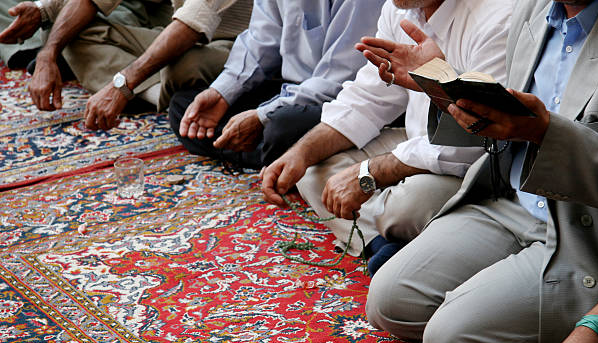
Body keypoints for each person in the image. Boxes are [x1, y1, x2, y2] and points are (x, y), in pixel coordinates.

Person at [365, 0, 598, 343]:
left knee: (454, 341)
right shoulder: (534, 10)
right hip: (510, 200)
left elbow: (538, 126)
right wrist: (445, 88)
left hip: (586, 229)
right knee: (390, 301)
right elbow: (507, 124)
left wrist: (544, 132)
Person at [261, 0, 513, 274]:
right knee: (311, 170)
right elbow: (367, 99)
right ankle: (379, 245)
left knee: (408, 206)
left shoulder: (497, 16)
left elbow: (475, 143)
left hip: (483, 165)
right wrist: (299, 154)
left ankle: (405, 237)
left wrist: (369, 173)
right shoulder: (400, 10)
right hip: (416, 144)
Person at [169, 0, 386, 170]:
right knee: (185, 107)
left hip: (340, 97)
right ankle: (282, 157)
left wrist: (262, 116)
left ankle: (280, 154)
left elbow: (337, 80)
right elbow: (260, 41)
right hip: (292, 92)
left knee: (279, 127)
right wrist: (222, 93)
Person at [0, 0, 251, 128]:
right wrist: (48, 54)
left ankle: (144, 90)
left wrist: (122, 85)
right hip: (173, 31)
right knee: (64, 33)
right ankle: (156, 93)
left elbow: (190, 25)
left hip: (237, 45)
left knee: (184, 65)